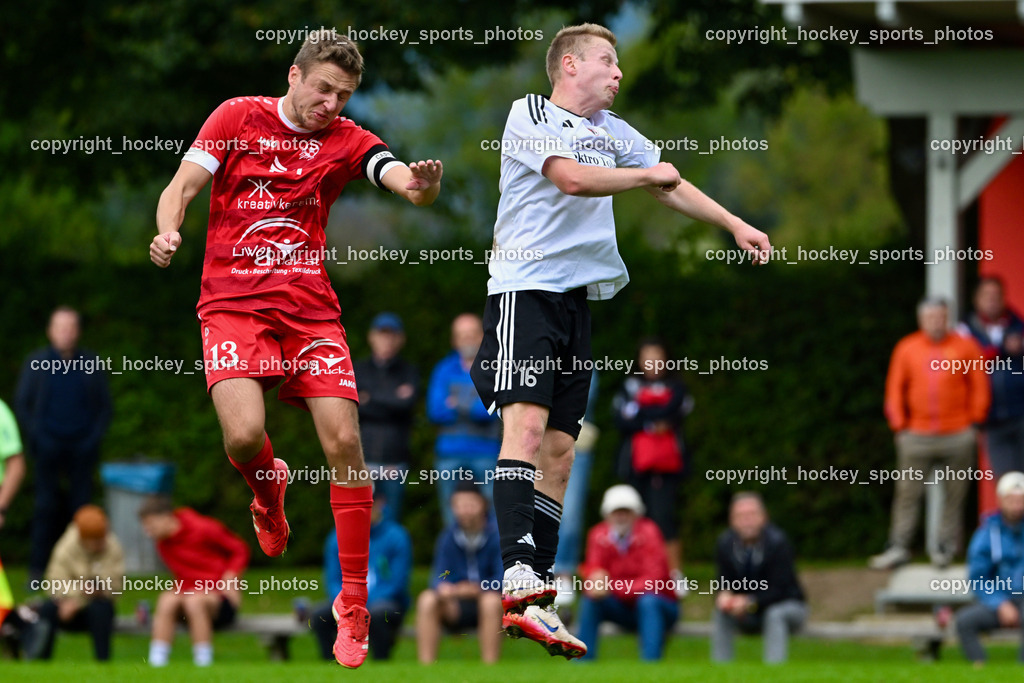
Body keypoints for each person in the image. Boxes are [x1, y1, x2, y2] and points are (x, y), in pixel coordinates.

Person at [469, 22, 770, 657]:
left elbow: (672, 183)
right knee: (522, 432)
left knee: (560, 453)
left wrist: (734, 222)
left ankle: (538, 597)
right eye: (608, 61)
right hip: (525, 291)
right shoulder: (529, 113)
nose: (618, 72)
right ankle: (517, 574)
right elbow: (572, 179)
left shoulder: (614, 133)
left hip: (577, 302)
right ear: (569, 65)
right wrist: (644, 177)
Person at [148, 28, 442, 669]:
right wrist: (168, 231)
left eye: (344, 95)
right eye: (324, 89)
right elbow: (180, 187)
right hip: (230, 305)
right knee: (245, 437)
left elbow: (395, 176)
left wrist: (419, 185)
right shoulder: (236, 117)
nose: (333, 104)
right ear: (294, 75)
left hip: (311, 314)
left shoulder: (347, 140)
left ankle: (354, 603)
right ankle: (267, 488)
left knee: (344, 442)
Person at [871, 298, 991, 569]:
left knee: (954, 493)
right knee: (907, 493)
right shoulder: (907, 348)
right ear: (921, 320)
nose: (937, 322)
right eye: (931, 317)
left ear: (947, 318)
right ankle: (899, 546)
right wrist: (899, 425)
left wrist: (975, 421)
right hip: (916, 434)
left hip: (958, 432)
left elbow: (979, 385)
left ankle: (943, 548)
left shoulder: (965, 347)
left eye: (941, 317)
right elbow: (894, 388)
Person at [15, 306, 111, 582]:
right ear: (50, 331)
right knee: (45, 507)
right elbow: (23, 406)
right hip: (48, 448)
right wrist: (40, 439)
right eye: (60, 328)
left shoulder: (90, 363)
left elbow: (104, 409)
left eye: (71, 327)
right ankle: (37, 571)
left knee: (82, 511)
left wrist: (90, 441)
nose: (66, 334)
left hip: (82, 448)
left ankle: (83, 574)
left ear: (77, 331)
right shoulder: (37, 363)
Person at [613, 338, 693, 586]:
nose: (652, 363)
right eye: (647, 357)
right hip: (635, 464)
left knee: (664, 517)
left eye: (657, 356)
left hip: (666, 465)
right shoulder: (628, 386)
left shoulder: (677, 386)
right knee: (634, 518)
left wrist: (643, 412)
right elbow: (621, 419)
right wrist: (651, 421)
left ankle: (674, 576)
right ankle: (636, 574)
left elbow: (674, 413)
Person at [138, 495, 250, 667]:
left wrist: (231, 576)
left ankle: (203, 662)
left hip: (219, 599)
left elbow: (240, 549)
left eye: (151, 525)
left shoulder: (203, 528)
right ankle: (157, 663)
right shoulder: (162, 544)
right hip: (189, 597)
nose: (148, 532)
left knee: (193, 601)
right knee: (166, 600)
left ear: (167, 517)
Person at [575, 484, 679, 661]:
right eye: (616, 511)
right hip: (625, 608)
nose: (621, 516)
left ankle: (651, 666)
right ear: (607, 514)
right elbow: (593, 567)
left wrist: (610, 586)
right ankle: (583, 661)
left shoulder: (650, 532)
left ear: (636, 514)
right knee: (591, 600)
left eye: (626, 511)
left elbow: (654, 580)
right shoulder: (597, 534)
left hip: (660, 606)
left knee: (648, 601)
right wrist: (593, 579)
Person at [311, 489, 411, 661]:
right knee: (319, 615)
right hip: (347, 603)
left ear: (379, 503)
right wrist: (349, 605)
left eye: (365, 503)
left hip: (385, 603)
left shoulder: (397, 536)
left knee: (379, 613)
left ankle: (381, 665)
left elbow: (397, 583)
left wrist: (363, 606)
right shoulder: (336, 537)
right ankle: (331, 665)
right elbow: (333, 580)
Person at [712, 492, 807, 664]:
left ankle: (773, 671)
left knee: (775, 614)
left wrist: (749, 601)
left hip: (785, 606)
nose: (746, 520)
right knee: (721, 612)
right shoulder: (725, 544)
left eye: (751, 515)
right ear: (732, 520)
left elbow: (780, 589)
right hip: (748, 611)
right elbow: (723, 581)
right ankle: (721, 670)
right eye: (740, 516)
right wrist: (725, 596)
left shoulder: (778, 543)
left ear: (764, 517)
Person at [415, 481, 503, 664]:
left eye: (471, 504)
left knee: (491, 601)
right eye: (460, 505)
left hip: (490, 605)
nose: (465, 510)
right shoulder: (448, 536)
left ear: (483, 504)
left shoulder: (498, 536)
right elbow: (438, 577)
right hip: (454, 605)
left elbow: (504, 580)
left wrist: (477, 588)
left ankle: (489, 666)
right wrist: (445, 588)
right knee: (427, 599)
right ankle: (425, 667)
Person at [426, 313, 501, 525]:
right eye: (462, 335)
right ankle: (455, 557)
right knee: (451, 519)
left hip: (486, 454)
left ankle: (495, 558)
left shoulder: (494, 368)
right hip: (449, 454)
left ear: (482, 336)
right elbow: (436, 411)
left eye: (472, 334)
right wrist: (473, 403)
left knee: (494, 518)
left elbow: (491, 411)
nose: (467, 339)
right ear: (454, 340)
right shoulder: (443, 369)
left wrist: (456, 402)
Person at [32, 505, 124, 661]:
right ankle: (41, 662)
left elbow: (115, 585)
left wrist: (78, 601)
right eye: (95, 541)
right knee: (48, 608)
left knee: (101, 608)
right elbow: (54, 582)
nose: (101, 543)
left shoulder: (113, 545)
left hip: (95, 609)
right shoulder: (65, 547)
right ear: (83, 539)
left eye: (102, 538)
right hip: (65, 609)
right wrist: (72, 599)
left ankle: (103, 663)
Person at [353, 312, 419, 521]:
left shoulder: (409, 371)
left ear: (401, 339)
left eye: (392, 335)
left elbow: (406, 405)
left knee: (391, 524)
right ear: (371, 336)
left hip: (394, 465)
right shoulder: (358, 369)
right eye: (382, 334)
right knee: (358, 522)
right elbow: (354, 407)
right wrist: (392, 399)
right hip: (363, 463)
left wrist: (370, 398)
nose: (387, 340)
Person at [955, 471, 1024, 665]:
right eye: (1012, 500)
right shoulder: (986, 533)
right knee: (964, 621)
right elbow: (978, 578)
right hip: (999, 602)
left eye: (1021, 501)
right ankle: (980, 668)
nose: (1017, 506)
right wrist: (999, 603)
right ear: (1000, 500)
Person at [959, 277, 1024, 477]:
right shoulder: (964, 331)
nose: (992, 300)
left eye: (996, 296)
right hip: (990, 418)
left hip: (1021, 413)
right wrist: (998, 351)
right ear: (976, 299)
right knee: (1005, 482)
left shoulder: (1018, 326)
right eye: (986, 296)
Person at [552, 369, 599, 606]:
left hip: (573, 445)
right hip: (535, 442)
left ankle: (563, 572)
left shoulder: (582, 360)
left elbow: (580, 400)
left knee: (568, 515)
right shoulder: (531, 353)